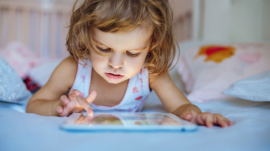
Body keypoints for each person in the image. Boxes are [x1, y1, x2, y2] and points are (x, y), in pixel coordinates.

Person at [26, 0, 233, 128]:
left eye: (133, 53)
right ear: (87, 37)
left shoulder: (150, 73)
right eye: (104, 49)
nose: (116, 64)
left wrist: (195, 114)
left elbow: (180, 106)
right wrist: (61, 108)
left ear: (152, 46)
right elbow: (33, 105)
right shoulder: (73, 69)